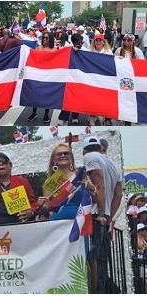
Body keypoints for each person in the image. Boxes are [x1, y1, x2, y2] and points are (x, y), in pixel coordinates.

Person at [82, 136, 123, 293]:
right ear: (100, 148)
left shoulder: (89, 157)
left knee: (92, 260)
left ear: (84, 150)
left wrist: (100, 214)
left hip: (95, 215)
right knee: (101, 260)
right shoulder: (112, 163)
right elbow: (118, 194)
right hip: (104, 217)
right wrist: (108, 217)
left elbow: (99, 185)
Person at [0, 152, 38, 226]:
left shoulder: (22, 181)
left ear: (10, 165)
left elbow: (33, 202)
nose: (1, 164)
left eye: (4, 161)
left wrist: (31, 211)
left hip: (20, 225)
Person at [56, 33, 86, 126]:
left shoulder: (85, 51)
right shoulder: (67, 50)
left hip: (80, 77)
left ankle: (75, 116)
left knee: (77, 97)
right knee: (67, 96)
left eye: (81, 42)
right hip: (69, 77)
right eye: (77, 42)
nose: (79, 44)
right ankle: (63, 117)